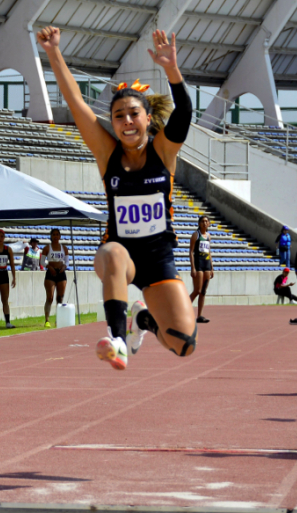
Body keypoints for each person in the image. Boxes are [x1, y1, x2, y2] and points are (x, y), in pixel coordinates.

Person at [38, 26, 196, 371]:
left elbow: (184, 113)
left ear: (147, 118)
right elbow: (76, 103)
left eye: (133, 114)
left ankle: (142, 322)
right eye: (118, 116)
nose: (126, 121)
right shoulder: (106, 152)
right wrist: (53, 52)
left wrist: (171, 68)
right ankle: (118, 339)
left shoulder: (164, 152)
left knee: (183, 344)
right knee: (111, 250)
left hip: (158, 258)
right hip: (119, 258)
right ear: (111, 122)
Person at [189, 215, 214, 323]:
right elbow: (191, 251)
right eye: (202, 221)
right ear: (199, 223)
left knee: (203, 291)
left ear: (208, 224)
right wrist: (192, 267)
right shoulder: (196, 235)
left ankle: (199, 315)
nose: (204, 223)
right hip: (198, 264)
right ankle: (182, 310)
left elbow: (209, 252)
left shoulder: (208, 236)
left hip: (207, 264)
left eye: (206, 221)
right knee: (197, 290)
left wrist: (212, 267)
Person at [40, 229, 68, 328]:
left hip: (61, 273)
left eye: (57, 234)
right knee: (50, 297)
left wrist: (64, 267)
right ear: (51, 236)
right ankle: (47, 320)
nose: (55, 236)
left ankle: (58, 319)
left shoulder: (64, 248)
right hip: (51, 273)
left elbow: (67, 262)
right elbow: (42, 261)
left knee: (60, 298)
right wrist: (49, 267)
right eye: (54, 235)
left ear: (60, 236)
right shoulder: (47, 248)